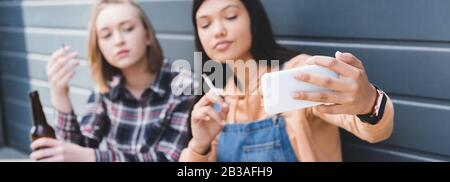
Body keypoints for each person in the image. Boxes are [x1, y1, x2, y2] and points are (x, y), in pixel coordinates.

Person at [180, 0, 394, 162]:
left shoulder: (298, 73)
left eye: (231, 16)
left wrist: (369, 103)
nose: (218, 31)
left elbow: (373, 132)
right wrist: (199, 146)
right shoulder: (215, 100)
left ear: (253, 19)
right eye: (205, 24)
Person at [29, 0, 193, 162]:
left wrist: (93, 157)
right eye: (106, 35)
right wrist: (60, 94)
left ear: (148, 35)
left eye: (128, 29)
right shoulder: (105, 88)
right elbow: (77, 150)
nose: (118, 40)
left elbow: (169, 159)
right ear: (98, 47)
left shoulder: (182, 84)